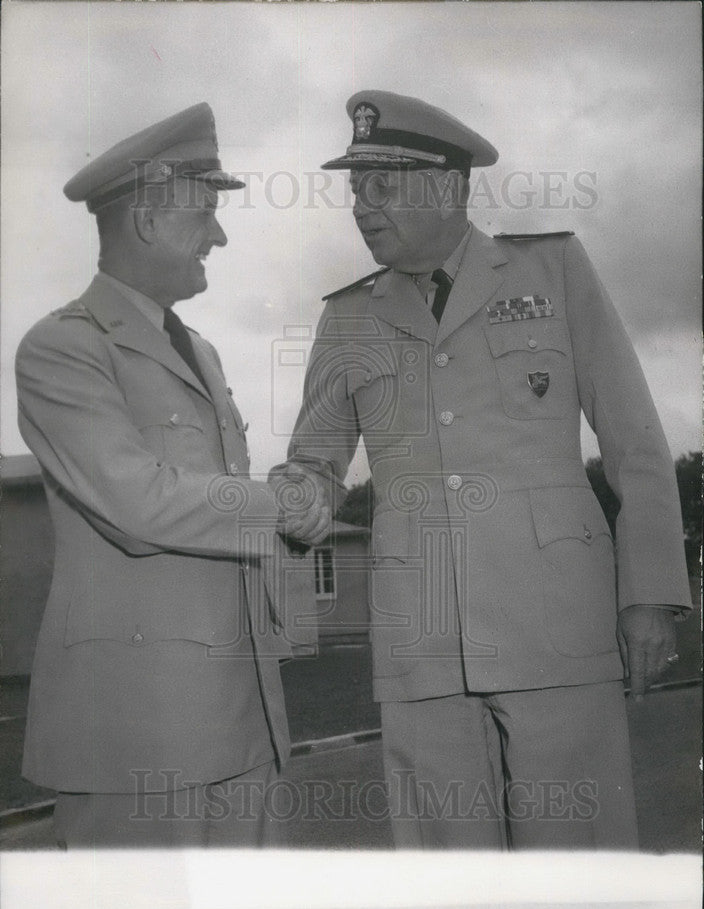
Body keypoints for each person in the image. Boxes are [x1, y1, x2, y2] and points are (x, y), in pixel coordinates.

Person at [276, 90, 692, 849]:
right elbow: (316, 459)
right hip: (421, 634)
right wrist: (299, 491)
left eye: (383, 184)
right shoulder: (349, 318)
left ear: (445, 185)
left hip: (556, 623)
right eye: (355, 187)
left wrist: (652, 594)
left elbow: (634, 439)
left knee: (581, 861)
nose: (361, 205)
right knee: (450, 881)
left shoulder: (553, 269)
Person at [15, 103, 328, 849]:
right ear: (151, 221)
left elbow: (221, 507)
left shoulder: (205, 354)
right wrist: (273, 507)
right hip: (137, 735)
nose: (218, 236)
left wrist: (300, 504)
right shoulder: (63, 349)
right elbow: (138, 502)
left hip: (242, 719)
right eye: (206, 215)